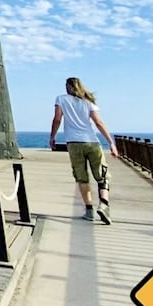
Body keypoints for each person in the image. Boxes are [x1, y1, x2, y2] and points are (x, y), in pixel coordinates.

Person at [49, 77, 119, 224]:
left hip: (73, 143)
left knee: (82, 177)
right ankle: (104, 205)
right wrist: (111, 143)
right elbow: (98, 123)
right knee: (102, 176)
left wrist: (52, 137)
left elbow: (57, 119)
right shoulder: (88, 102)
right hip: (92, 142)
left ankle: (89, 211)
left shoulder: (61, 99)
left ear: (68, 86)